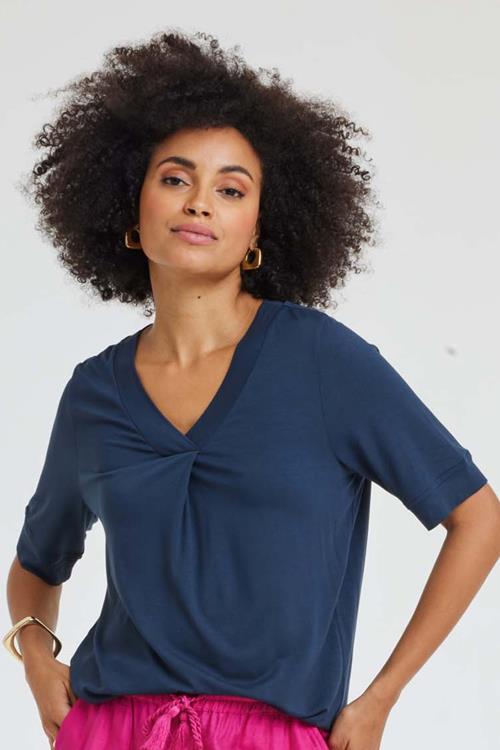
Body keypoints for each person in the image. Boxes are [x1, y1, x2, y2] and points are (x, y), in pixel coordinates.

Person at [4, 29, 500, 750]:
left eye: (231, 189)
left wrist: (380, 700)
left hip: (275, 735)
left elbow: (479, 519)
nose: (200, 203)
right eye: (175, 179)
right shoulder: (94, 396)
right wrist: (35, 657)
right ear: (131, 210)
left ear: (260, 227)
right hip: (112, 730)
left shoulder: (320, 360)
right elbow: (36, 563)